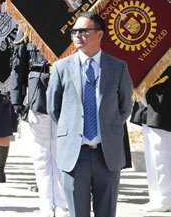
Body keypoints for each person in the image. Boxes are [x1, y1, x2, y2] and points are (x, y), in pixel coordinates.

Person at [46, 11, 133, 217]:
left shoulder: (118, 67)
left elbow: (125, 106)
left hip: (107, 154)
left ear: (100, 34)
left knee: (107, 212)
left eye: (84, 31)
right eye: (74, 31)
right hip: (75, 155)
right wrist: (73, 128)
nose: (77, 35)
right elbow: (53, 108)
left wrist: (108, 127)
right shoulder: (61, 67)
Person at [10, 29, 67, 216]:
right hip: (37, 96)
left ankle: (61, 202)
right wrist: (16, 99)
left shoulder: (65, 25)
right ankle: (46, 202)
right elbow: (18, 66)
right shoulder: (25, 30)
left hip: (64, 94)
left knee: (61, 153)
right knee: (41, 155)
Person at [130, 65, 171, 212]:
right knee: (152, 147)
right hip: (148, 87)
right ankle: (156, 195)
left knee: (161, 148)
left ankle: (165, 196)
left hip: (164, 88)